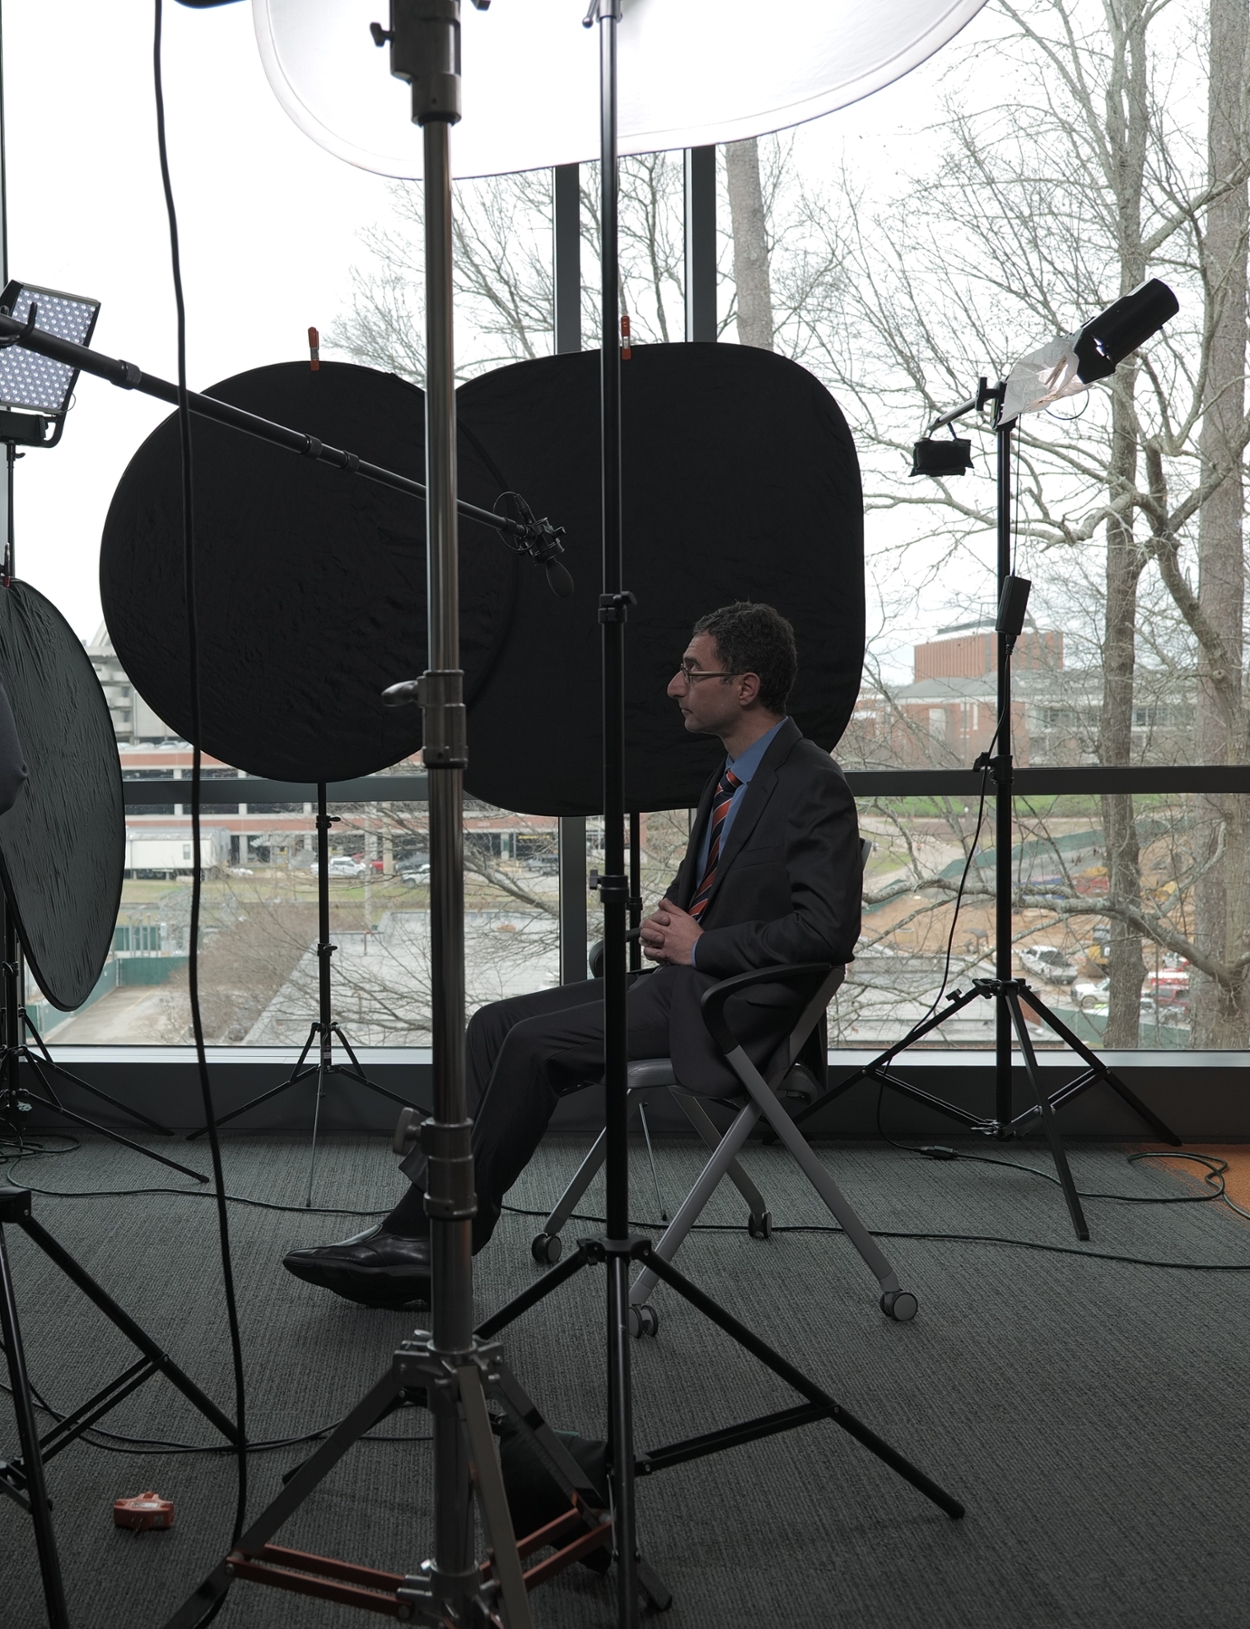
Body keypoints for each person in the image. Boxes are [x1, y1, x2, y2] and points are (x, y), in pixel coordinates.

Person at [283, 602, 861, 1308]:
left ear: (745, 687)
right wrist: (672, 925)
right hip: (684, 984)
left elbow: (828, 932)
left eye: (691, 671)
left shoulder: (812, 780)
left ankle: (431, 1242)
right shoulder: (729, 776)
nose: (674, 686)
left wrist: (704, 943)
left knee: (531, 1046)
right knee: (491, 1026)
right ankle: (431, 1225)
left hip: (735, 1010)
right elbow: (719, 892)